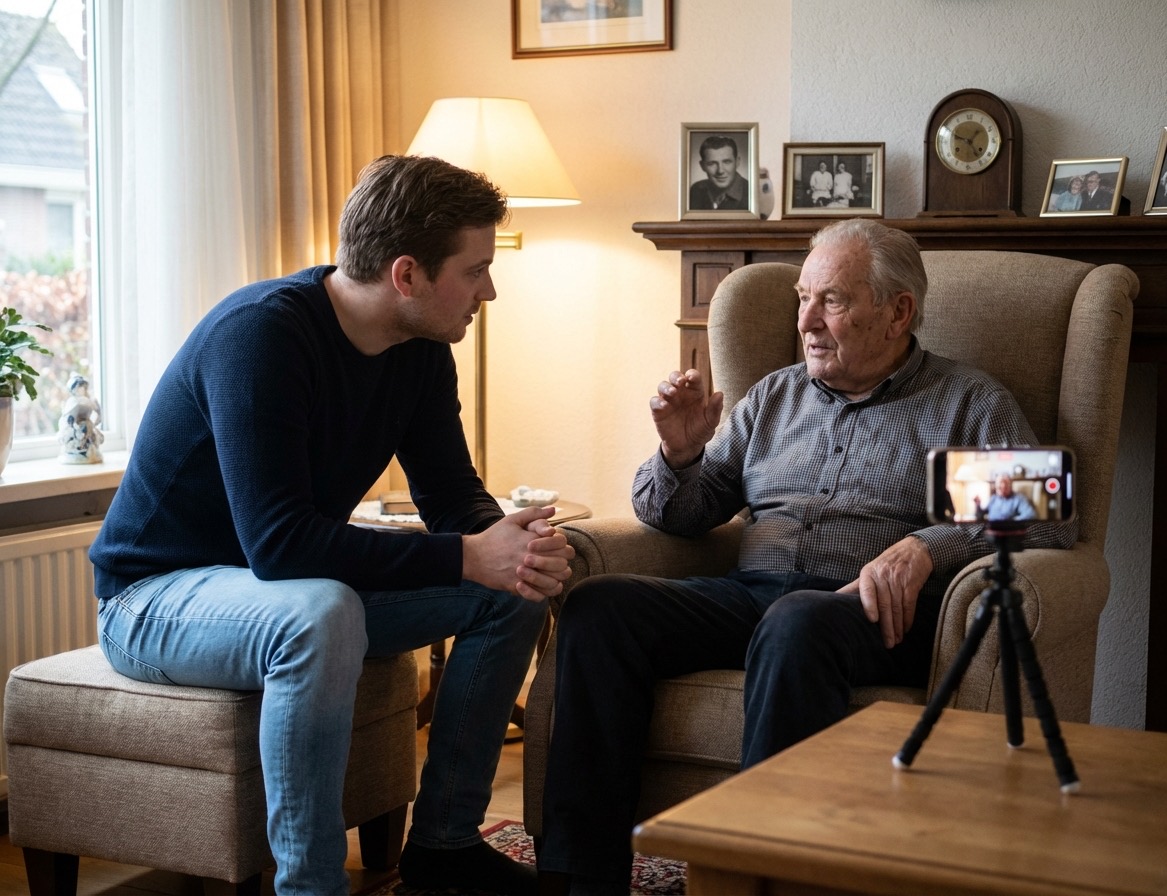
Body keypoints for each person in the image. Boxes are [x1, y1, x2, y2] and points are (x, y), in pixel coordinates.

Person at [537, 218, 1076, 895]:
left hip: (868, 613)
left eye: (832, 301)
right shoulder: (775, 396)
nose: (807, 322)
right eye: (802, 298)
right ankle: (579, 879)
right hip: (752, 593)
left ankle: (759, 877)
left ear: (897, 312)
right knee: (601, 607)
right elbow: (684, 516)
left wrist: (926, 546)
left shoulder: (963, 402)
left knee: (797, 619)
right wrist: (679, 454)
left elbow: (1047, 515)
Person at [87, 155, 575, 896]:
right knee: (320, 611)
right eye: (475, 270)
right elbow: (281, 546)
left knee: (511, 595)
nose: (490, 290)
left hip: (277, 591)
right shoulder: (262, 338)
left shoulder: (419, 351)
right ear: (407, 275)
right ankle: (310, 886)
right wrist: (467, 555)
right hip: (155, 600)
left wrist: (512, 546)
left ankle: (444, 846)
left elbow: (451, 495)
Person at [687, 135, 749, 210]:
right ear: (702, 166)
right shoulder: (696, 189)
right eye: (712, 163)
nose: (720, 171)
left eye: (727, 162)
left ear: (737, 162)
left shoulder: (752, 193)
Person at [57, 373, 104, 463]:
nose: (82, 389)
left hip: (87, 426)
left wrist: (94, 423)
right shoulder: (73, 401)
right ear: (73, 389)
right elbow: (69, 418)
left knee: (91, 438)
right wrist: (75, 427)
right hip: (76, 427)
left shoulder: (89, 400)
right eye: (79, 387)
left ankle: (87, 451)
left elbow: (98, 414)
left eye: (84, 387)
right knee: (79, 438)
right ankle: (79, 451)